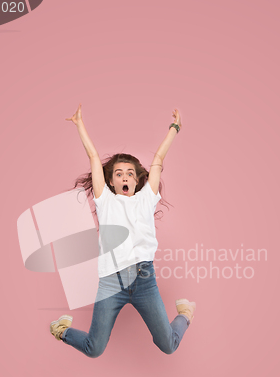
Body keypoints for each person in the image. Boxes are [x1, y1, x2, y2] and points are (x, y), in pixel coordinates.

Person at [49, 103, 196, 357]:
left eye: (130, 173)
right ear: (111, 181)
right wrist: (79, 124)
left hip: (144, 281)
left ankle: (185, 314)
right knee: (94, 349)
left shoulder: (147, 198)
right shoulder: (104, 199)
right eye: (119, 174)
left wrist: (175, 128)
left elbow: (158, 159)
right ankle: (61, 330)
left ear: (137, 180)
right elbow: (94, 157)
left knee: (168, 345)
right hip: (111, 283)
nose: (125, 177)